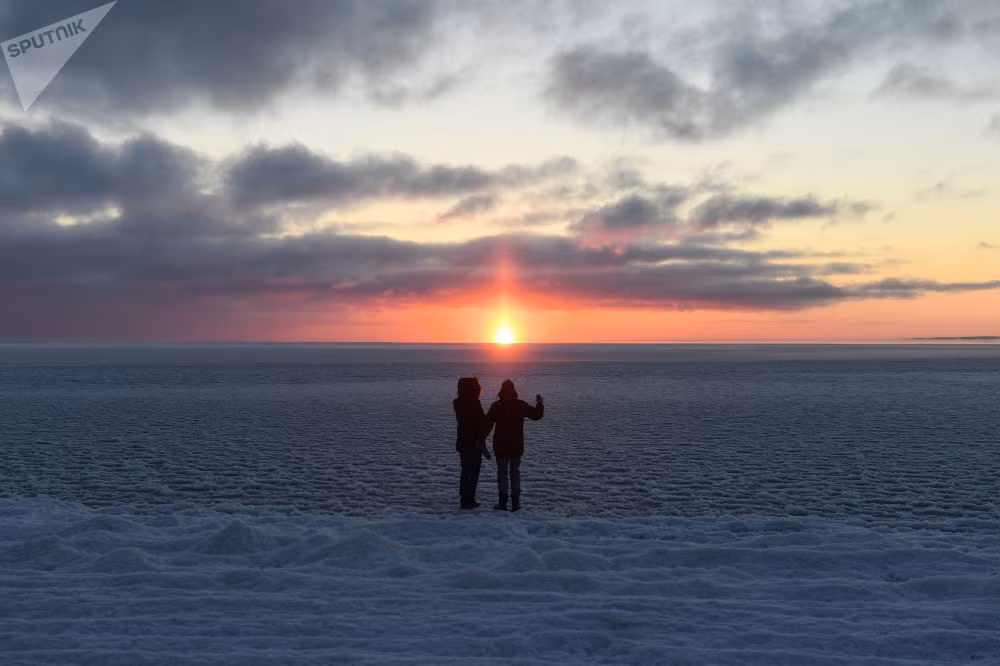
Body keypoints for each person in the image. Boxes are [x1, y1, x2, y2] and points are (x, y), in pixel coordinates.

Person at [483, 379, 544, 512]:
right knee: (515, 474)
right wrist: (540, 403)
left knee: (502, 474)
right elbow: (536, 415)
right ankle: (515, 503)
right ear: (514, 390)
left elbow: (487, 426)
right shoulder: (520, 405)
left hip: (500, 447)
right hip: (516, 446)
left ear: (501, 391)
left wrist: (481, 439)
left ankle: (503, 502)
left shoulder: (496, 406)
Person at [453, 376, 491, 509]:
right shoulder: (474, 403)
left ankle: (465, 499)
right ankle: (469, 500)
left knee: (466, 471)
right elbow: (482, 421)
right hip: (473, 443)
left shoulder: (458, 403)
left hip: (462, 442)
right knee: (472, 472)